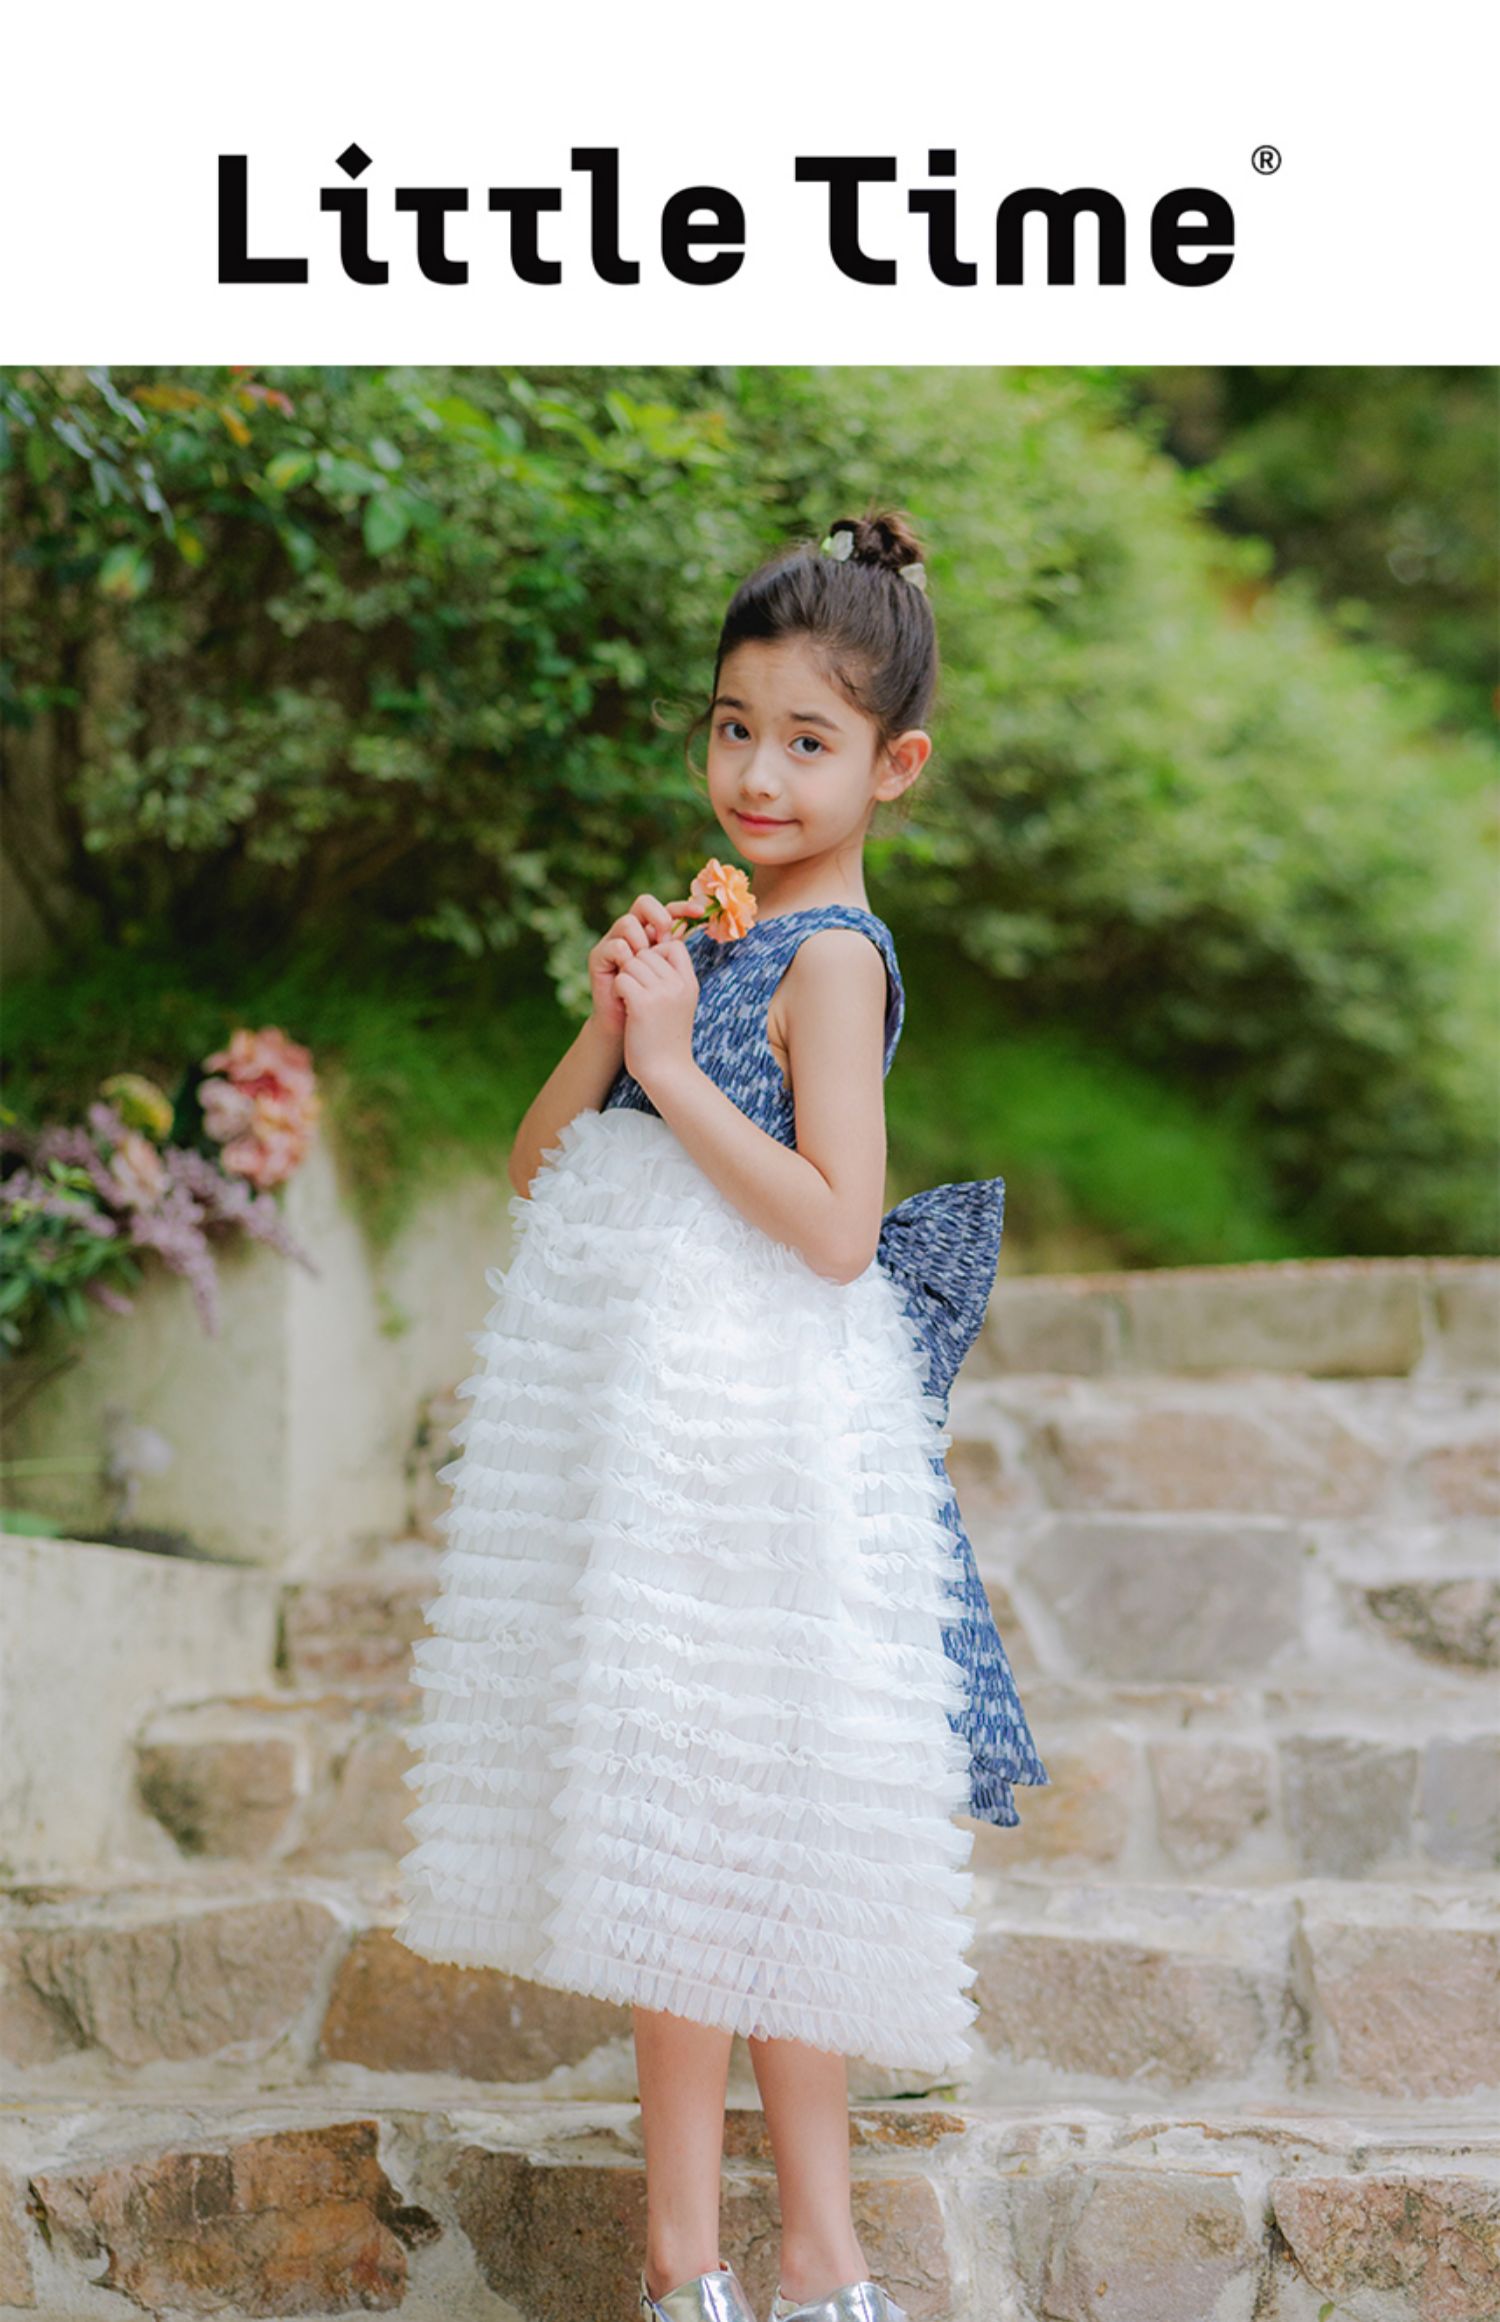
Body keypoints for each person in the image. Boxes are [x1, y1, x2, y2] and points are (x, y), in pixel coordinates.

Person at [393, 508, 1049, 2322]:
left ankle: (807, 2255)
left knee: (766, 1836)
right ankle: (693, 2261)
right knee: (675, 1837)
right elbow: (539, 1163)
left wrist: (680, 1068)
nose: (758, 773)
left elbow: (838, 1228)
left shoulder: (834, 959)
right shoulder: (709, 933)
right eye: (734, 727)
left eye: (808, 739)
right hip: (655, 1442)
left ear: (893, 766)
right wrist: (620, 1020)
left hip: (763, 1447)